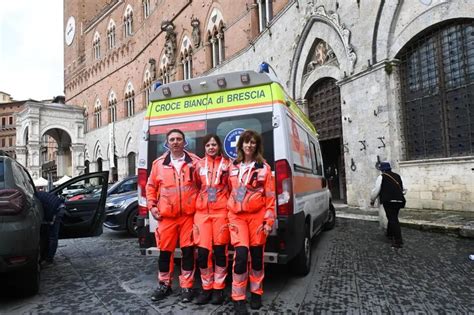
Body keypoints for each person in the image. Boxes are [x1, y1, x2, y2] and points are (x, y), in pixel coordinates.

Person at [146, 129, 200, 302]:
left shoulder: (195, 162)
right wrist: (152, 206)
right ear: (167, 143)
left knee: (188, 252)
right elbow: (150, 187)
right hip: (166, 217)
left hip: (188, 217)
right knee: (165, 253)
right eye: (172, 139)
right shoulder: (158, 164)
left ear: (185, 142)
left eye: (179, 139)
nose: (175, 142)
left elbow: (203, 187)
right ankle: (164, 285)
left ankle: (187, 286)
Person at [227, 130, 275, 314]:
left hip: (257, 217)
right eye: (246, 142)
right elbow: (226, 191)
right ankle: (238, 297)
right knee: (240, 256)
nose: (249, 145)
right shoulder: (232, 167)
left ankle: (256, 292)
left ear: (257, 146)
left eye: (253, 142)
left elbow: (270, 198)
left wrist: (268, 221)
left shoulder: (264, 168)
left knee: (256, 257)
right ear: (241, 145)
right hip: (237, 216)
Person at [193, 134, 231, 305]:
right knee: (202, 253)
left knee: (220, 252)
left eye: (214, 144)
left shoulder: (227, 165)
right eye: (208, 145)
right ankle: (206, 288)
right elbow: (195, 185)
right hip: (202, 214)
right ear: (204, 147)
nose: (211, 147)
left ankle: (219, 289)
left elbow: (233, 187)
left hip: (221, 212)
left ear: (219, 146)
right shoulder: (199, 165)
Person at [370, 162, 407, 248]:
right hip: (399, 201)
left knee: (393, 219)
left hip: (388, 201)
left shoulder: (381, 177)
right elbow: (404, 189)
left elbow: (376, 191)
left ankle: (398, 241)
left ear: (382, 170)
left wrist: (372, 200)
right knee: (393, 217)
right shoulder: (398, 176)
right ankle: (390, 234)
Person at [36, 190, 66, 263]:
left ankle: (49, 258)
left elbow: (48, 211)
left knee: (53, 236)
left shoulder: (35, 199)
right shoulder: (39, 194)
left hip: (56, 211)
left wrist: (50, 221)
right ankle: (48, 256)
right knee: (52, 236)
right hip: (60, 207)